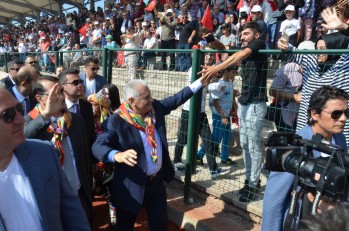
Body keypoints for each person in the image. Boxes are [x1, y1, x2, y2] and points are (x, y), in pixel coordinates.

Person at [92, 72, 212, 230]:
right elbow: (98, 146)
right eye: (146, 97)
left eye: (150, 96)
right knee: (125, 226)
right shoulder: (116, 121)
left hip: (156, 184)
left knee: (160, 225)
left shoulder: (155, 109)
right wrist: (118, 155)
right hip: (130, 186)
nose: (151, 100)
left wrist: (198, 83)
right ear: (131, 101)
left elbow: (176, 99)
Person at [0, 87, 90, 231]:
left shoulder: (44, 152)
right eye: (8, 114)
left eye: (18, 108)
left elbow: (72, 212)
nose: (21, 119)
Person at [198, 21, 268, 202]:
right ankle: (249, 181)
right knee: (245, 145)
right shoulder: (245, 49)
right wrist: (213, 40)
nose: (242, 36)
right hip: (245, 104)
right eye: (241, 34)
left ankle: (253, 183)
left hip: (256, 104)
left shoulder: (259, 45)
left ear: (256, 35)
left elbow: (240, 54)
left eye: (246, 34)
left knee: (252, 146)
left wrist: (216, 68)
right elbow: (227, 48)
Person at [262, 86, 349, 231]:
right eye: (336, 113)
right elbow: (274, 201)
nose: (343, 118)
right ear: (315, 114)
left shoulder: (340, 139)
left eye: (346, 112)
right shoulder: (296, 147)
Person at [23, 76, 93, 224]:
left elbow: (84, 156)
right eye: (55, 93)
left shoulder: (75, 120)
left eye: (61, 91)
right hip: (51, 201)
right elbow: (22, 140)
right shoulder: (29, 122)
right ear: (39, 98)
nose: (61, 96)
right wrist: (46, 115)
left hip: (79, 195)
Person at [173, 52, 231, 177]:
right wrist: (212, 78)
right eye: (206, 55)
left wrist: (217, 87)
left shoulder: (208, 71)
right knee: (183, 138)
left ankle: (213, 169)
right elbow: (197, 85)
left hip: (201, 112)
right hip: (189, 110)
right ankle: (176, 161)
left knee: (208, 140)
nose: (208, 57)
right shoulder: (193, 69)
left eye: (210, 55)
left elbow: (206, 88)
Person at [197, 64, 238, 166]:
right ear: (226, 72)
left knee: (227, 136)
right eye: (233, 73)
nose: (235, 75)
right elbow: (215, 102)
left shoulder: (230, 82)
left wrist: (233, 109)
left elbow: (231, 96)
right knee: (215, 138)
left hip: (227, 114)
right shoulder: (218, 84)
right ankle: (198, 156)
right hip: (219, 115)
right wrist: (222, 115)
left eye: (235, 73)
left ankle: (224, 157)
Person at [269, 62, 303, 131]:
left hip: (303, 117)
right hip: (286, 114)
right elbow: (273, 91)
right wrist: (294, 97)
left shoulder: (315, 70)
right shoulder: (286, 69)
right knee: (286, 139)